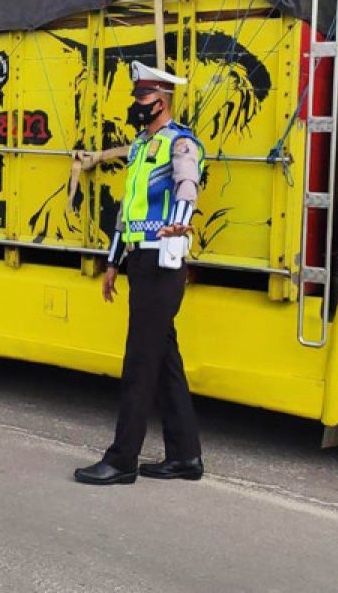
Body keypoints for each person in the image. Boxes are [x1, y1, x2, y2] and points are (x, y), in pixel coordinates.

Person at [75, 61, 205, 485]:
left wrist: (181, 220)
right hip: (140, 262)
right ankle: (185, 457)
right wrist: (114, 262)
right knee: (164, 361)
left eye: (142, 99)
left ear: (161, 101)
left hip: (164, 263)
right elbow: (126, 212)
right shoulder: (137, 147)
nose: (136, 105)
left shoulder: (180, 143)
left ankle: (122, 460)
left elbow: (189, 185)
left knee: (139, 363)